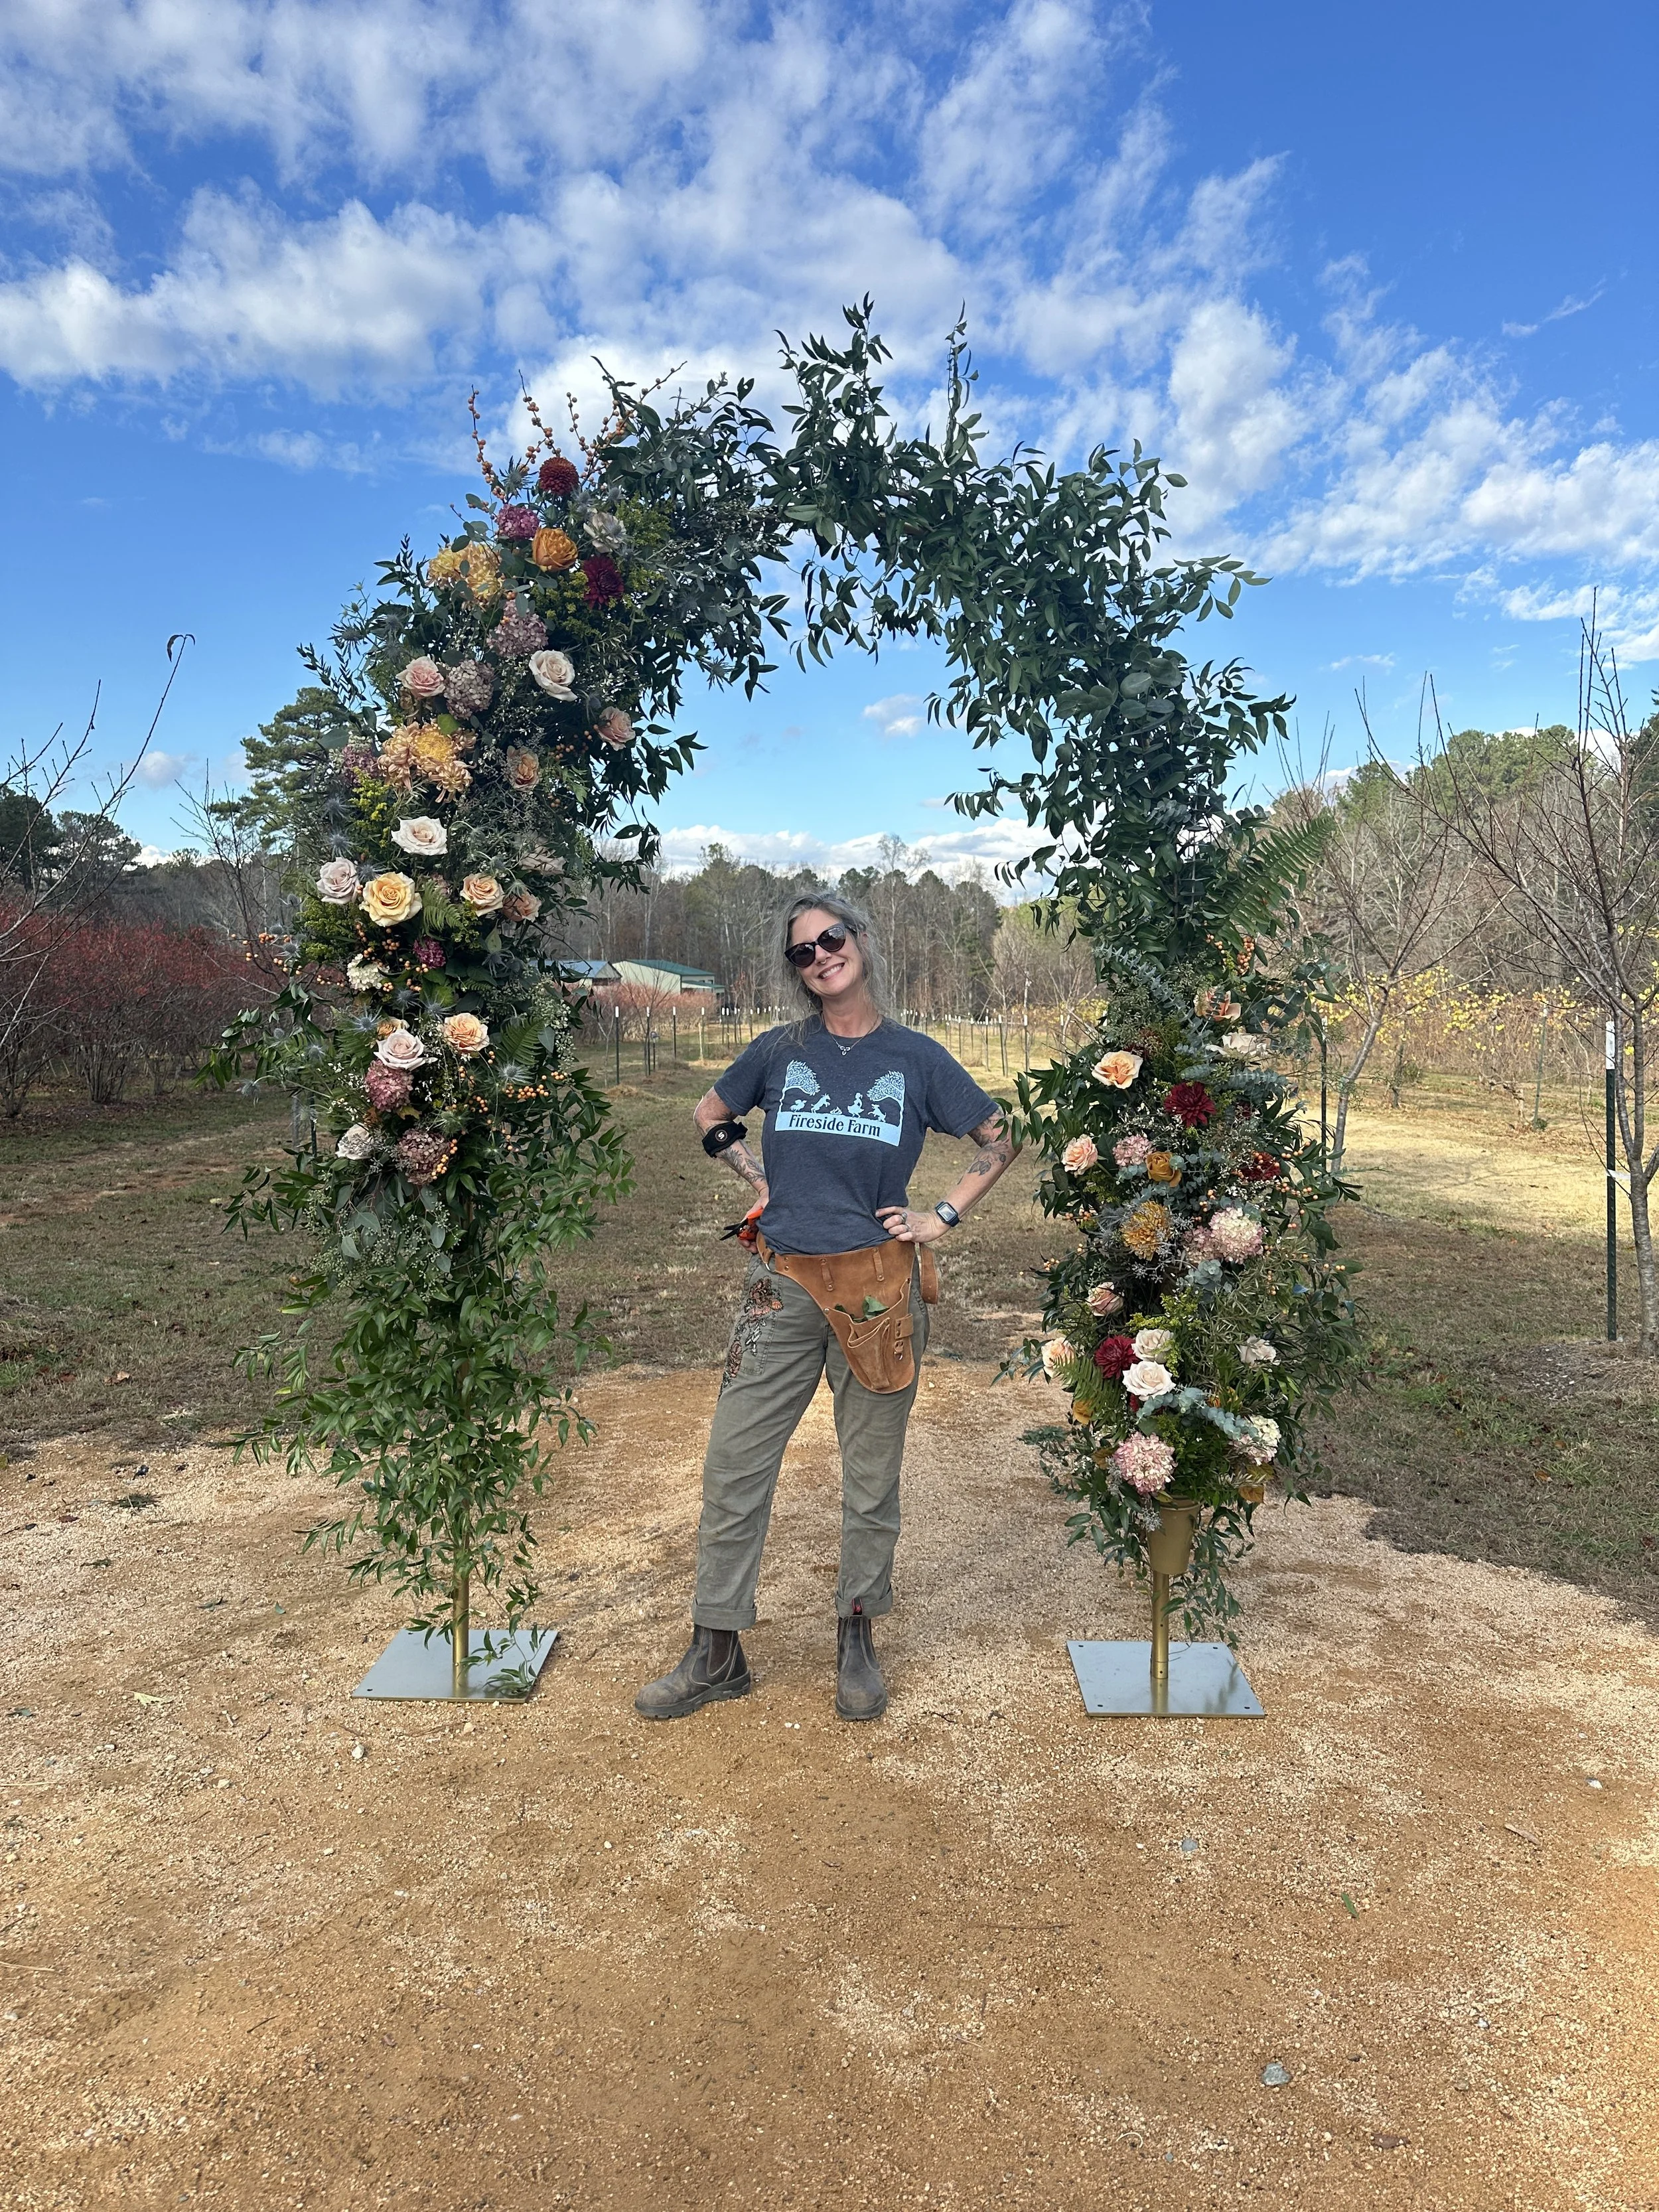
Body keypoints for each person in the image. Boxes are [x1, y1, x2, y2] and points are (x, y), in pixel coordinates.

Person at [635, 892, 1017, 1724]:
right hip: (779, 1285)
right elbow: (710, 1114)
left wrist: (941, 1217)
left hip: (878, 1291)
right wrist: (759, 1182)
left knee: (870, 1479)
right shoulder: (778, 1050)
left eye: (830, 940)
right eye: (802, 953)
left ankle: (856, 1634)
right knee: (734, 1468)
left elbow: (998, 1137)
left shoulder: (916, 1059)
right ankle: (716, 1649)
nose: (819, 958)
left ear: (862, 942)